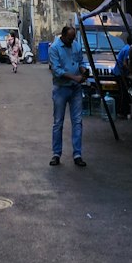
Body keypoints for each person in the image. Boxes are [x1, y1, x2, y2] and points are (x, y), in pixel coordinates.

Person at [47, 25, 89, 167]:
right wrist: (74, 77)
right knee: (58, 122)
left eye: (73, 39)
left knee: (77, 121)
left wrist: (83, 70)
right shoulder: (54, 48)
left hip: (75, 89)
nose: (72, 42)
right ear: (63, 36)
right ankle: (56, 154)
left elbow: (80, 62)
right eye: (70, 39)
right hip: (61, 89)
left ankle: (77, 154)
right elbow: (57, 70)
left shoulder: (76, 45)